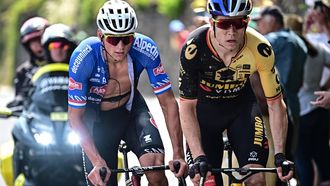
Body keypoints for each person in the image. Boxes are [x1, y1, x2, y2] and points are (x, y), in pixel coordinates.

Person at [68, 0, 186, 185]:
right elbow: (75, 117)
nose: (120, 47)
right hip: (99, 121)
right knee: (103, 179)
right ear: (100, 36)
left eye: (127, 39)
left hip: (131, 110)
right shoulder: (84, 56)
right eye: (113, 40)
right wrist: (97, 160)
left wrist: (178, 152)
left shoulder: (145, 48)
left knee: (155, 170)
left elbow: (168, 102)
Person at [179, 0, 294, 185]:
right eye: (224, 24)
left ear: (247, 22)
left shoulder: (260, 48)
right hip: (204, 115)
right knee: (206, 180)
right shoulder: (194, 48)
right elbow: (186, 106)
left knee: (257, 179)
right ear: (212, 22)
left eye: (238, 23)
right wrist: (199, 155)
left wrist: (281, 154)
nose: (231, 31)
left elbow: (275, 102)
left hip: (242, 110)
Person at [254, 6, 307, 165]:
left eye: (261, 21)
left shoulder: (274, 39)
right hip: (294, 105)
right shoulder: (299, 40)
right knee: (288, 158)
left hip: (273, 107)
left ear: (272, 21)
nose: (258, 26)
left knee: (272, 158)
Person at [285, 14, 330, 186]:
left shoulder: (290, 48)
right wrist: (324, 87)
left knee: (302, 156)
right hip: (319, 106)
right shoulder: (317, 47)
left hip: (300, 109)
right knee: (322, 154)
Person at [7, 17, 49, 108]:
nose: (38, 45)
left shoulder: (67, 65)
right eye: (33, 42)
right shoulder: (23, 71)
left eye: (40, 39)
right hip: (37, 119)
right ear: (27, 46)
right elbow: (19, 103)